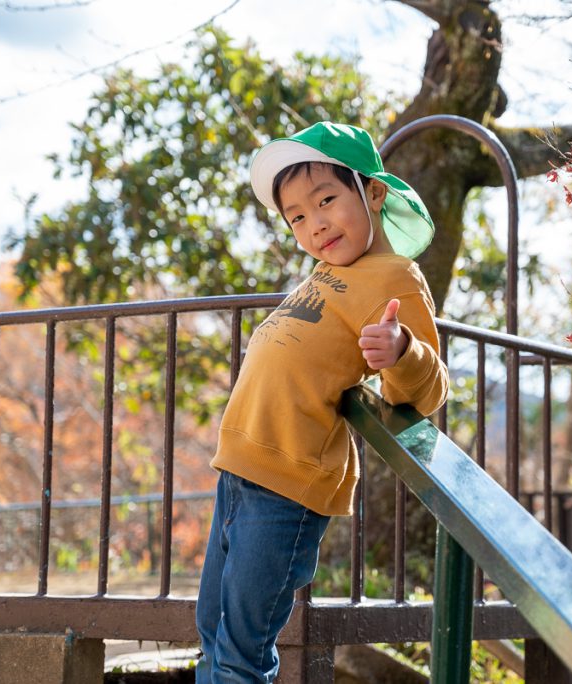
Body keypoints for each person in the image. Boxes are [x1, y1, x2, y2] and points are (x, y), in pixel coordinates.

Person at [195, 121, 450, 683]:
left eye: (326, 200)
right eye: (297, 217)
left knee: (240, 651)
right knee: (211, 632)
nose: (315, 224)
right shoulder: (330, 271)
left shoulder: (395, 278)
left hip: (287, 482)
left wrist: (401, 350)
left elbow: (428, 390)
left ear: (373, 192)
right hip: (239, 470)